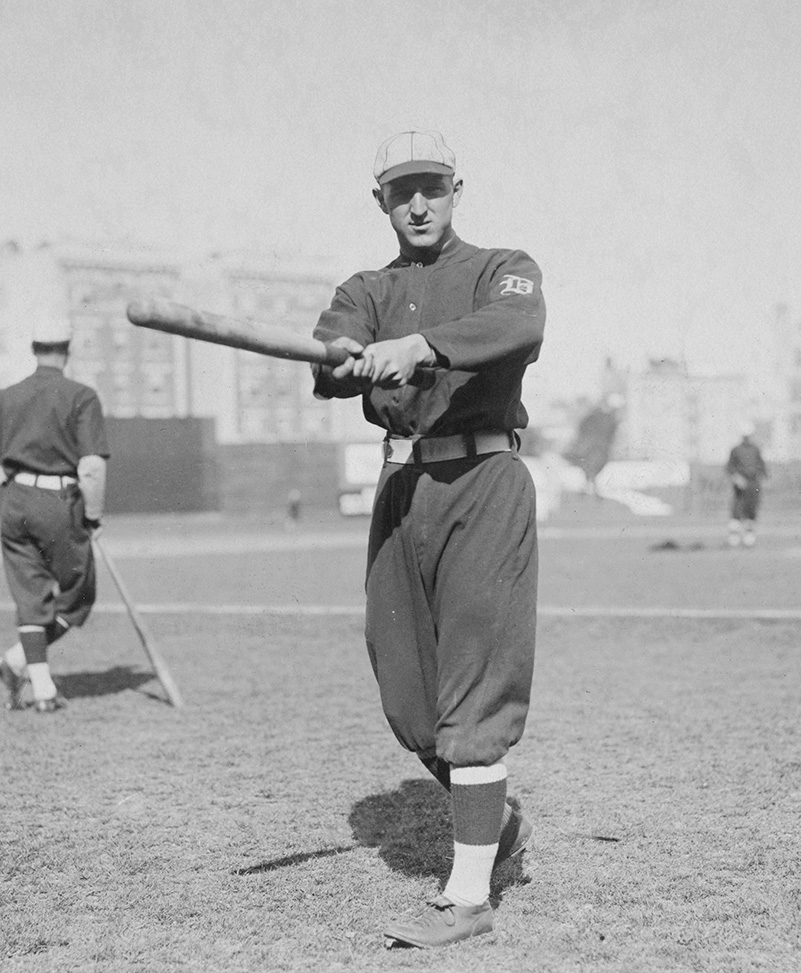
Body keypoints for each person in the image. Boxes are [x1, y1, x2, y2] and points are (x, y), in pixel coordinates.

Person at [312, 131, 544, 948]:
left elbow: (518, 324)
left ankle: (469, 894)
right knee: (410, 700)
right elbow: (331, 354)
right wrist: (344, 360)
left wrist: (424, 346)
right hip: (402, 486)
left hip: (483, 482)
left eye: (433, 188)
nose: (418, 204)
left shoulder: (499, 268)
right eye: (401, 190)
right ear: (380, 199)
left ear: (456, 190)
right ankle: (494, 814)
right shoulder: (365, 287)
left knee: (475, 685)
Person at [0, 317, 109, 714]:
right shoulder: (81, 395)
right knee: (79, 598)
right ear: (67, 351)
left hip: (16, 502)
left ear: (33, 350)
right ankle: (38, 684)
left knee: (29, 597)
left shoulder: (6, 396)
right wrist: (93, 515)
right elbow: (90, 466)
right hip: (59, 504)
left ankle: (23, 669)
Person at [726, 422, 767, 547]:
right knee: (737, 512)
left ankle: (749, 540)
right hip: (740, 487)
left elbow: (761, 467)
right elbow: (730, 468)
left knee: (751, 511)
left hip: (753, 485)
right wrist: (737, 478)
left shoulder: (756, 450)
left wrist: (761, 477)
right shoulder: (736, 450)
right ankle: (734, 540)